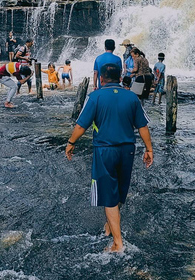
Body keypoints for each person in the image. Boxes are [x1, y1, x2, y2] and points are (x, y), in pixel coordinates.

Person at [66, 63, 153, 253]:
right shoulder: (132, 97)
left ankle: (117, 243)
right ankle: (110, 225)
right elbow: (143, 126)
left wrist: (71, 143)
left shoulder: (95, 96)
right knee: (120, 190)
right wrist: (149, 149)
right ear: (120, 78)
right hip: (127, 150)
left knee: (108, 195)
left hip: (105, 150)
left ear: (101, 79)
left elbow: (81, 125)